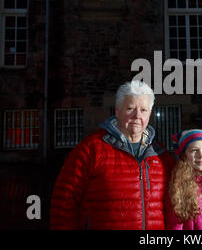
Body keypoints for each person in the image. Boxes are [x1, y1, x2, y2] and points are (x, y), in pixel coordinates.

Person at [49, 80, 174, 230]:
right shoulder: (90, 150)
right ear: (117, 111)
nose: (137, 116)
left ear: (150, 114)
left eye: (143, 110)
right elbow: (63, 204)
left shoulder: (161, 155)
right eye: (130, 108)